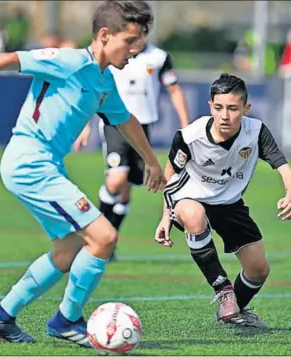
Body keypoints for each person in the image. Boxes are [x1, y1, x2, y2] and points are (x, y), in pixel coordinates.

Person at [0, 0, 166, 346]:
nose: (136, 49)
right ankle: (66, 320)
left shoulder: (103, 81)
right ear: (103, 34)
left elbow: (125, 119)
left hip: (45, 165)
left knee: (68, 250)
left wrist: (152, 161)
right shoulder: (69, 61)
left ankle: (1, 315)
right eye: (130, 40)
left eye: (140, 41)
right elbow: (12, 59)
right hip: (30, 162)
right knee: (104, 237)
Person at [154, 73, 291, 328]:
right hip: (190, 197)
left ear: (246, 108)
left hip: (229, 204)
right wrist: (166, 216)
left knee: (258, 269)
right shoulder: (190, 136)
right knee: (193, 214)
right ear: (210, 106)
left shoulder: (256, 132)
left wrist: (290, 195)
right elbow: (171, 173)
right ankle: (222, 288)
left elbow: (285, 169)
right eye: (219, 108)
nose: (225, 115)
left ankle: (232, 312)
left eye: (233, 108)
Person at [75, 8, 189, 260]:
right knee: (115, 180)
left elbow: (174, 90)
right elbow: (93, 92)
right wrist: (85, 126)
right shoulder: (113, 54)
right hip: (113, 125)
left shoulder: (159, 57)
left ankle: (108, 241)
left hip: (142, 127)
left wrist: (186, 125)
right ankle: (98, 238)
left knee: (125, 189)